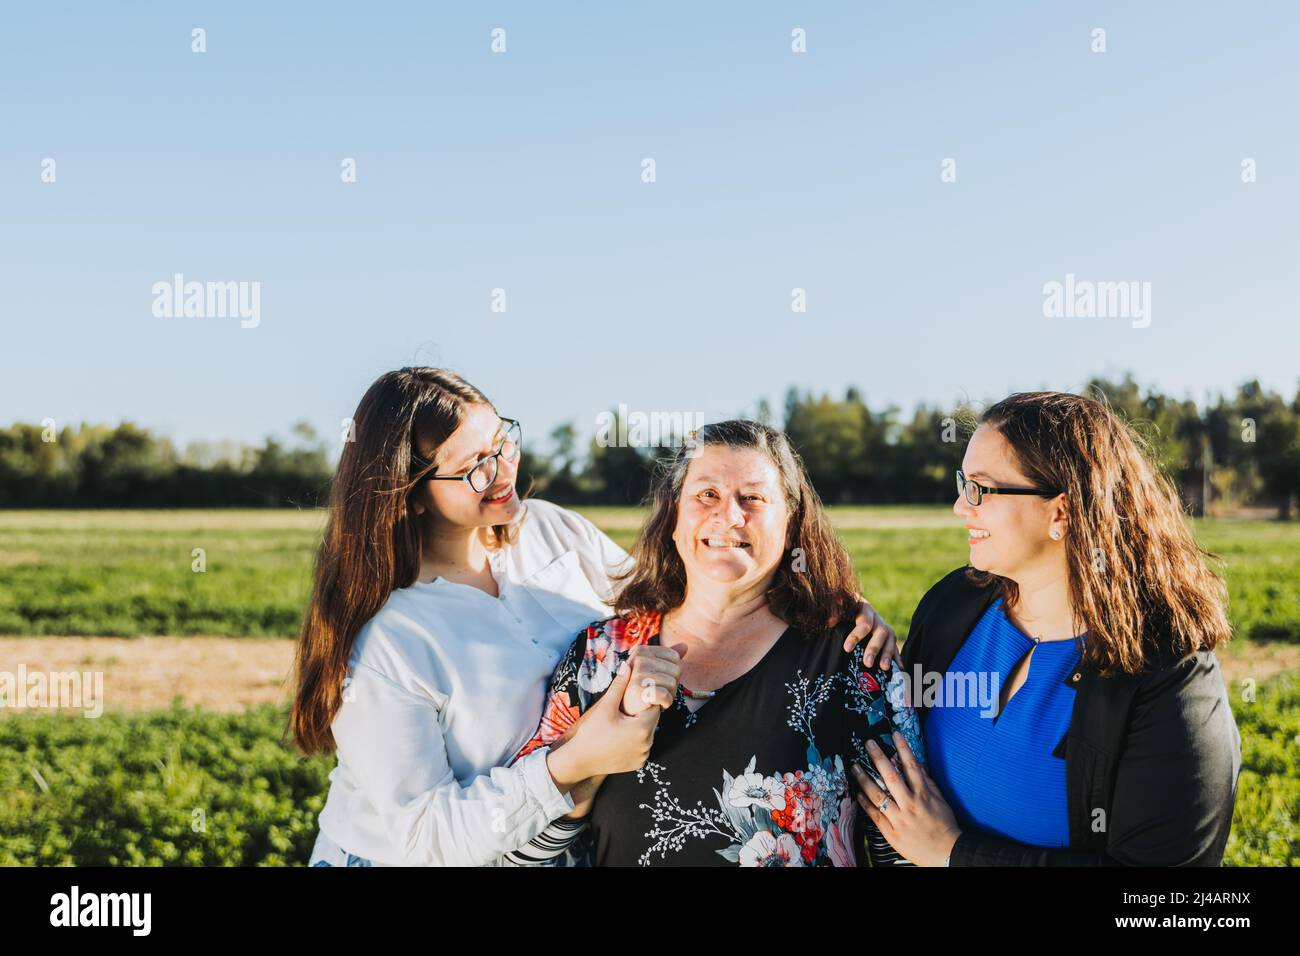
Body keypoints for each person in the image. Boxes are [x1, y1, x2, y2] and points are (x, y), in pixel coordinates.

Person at [292, 368, 900, 866]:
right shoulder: (389, 641)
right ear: (411, 491)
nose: (505, 470)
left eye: (503, 440)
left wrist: (832, 606)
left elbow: (681, 588)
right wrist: (574, 764)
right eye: (476, 465)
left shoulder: (547, 528)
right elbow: (422, 840)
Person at [851, 391, 1242, 866]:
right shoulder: (954, 605)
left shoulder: (1170, 676)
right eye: (962, 482)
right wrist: (866, 645)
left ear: (1061, 512)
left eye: (980, 488)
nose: (960, 506)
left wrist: (953, 854)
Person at [512, 420, 922, 866]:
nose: (729, 516)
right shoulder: (601, 655)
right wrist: (589, 758)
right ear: (673, 518)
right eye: (707, 495)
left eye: (753, 498)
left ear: (791, 524)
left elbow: (903, 853)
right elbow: (526, 853)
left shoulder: (853, 657)